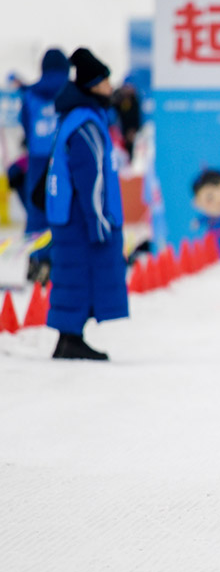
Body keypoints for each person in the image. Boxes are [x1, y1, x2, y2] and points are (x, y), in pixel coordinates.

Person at [45, 48, 128, 360]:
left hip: (68, 215)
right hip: (82, 218)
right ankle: (70, 339)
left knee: (73, 276)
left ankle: (70, 336)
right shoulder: (87, 125)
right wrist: (98, 221)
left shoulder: (75, 118)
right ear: (94, 85)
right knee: (82, 276)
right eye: (106, 81)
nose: (111, 87)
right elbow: (89, 178)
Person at [19, 48, 69, 283]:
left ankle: (36, 260)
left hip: (38, 159)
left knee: (36, 211)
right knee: (63, 208)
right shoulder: (70, 89)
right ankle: (59, 261)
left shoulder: (29, 94)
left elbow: (26, 127)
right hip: (63, 157)